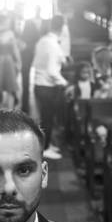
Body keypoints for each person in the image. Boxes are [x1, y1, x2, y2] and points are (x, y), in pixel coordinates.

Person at [32, 15, 68, 160]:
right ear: (62, 28)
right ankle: (45, 149)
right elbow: (52, 70)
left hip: (39, 84)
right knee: (47, 119)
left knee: (46, 118)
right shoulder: (53, 44)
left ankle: (47, 144)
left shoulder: (43, 40)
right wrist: (64, 82)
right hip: (47, 86)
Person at [19, 6, 45, 113]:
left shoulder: (38, 22)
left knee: (34, 77)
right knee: (26, 78)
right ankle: (25, 104)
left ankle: (33, 103)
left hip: (32, 52)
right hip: (27, 53)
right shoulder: (28, 22)